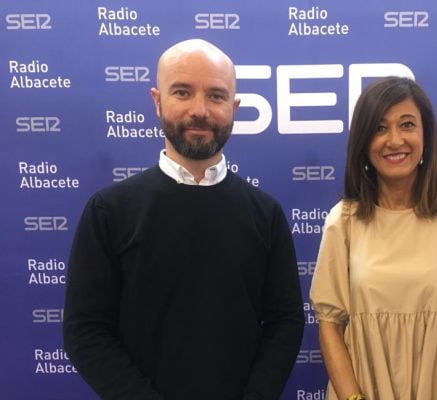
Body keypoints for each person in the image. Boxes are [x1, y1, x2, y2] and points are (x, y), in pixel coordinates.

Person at [63, 39, 304, 400]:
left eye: (216, 96)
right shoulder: (109, 211)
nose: (200, 110)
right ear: (157, 100)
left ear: (235, 108)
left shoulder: (265, 213)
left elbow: (286, 322)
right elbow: (85, 330)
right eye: (183, 92)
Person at [310, 76, 437, 400]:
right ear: (363, 142)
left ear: (425, 135)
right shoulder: (344, 220)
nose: (394, 140)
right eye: (379, 128)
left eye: (407, 125)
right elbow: (329, 325)